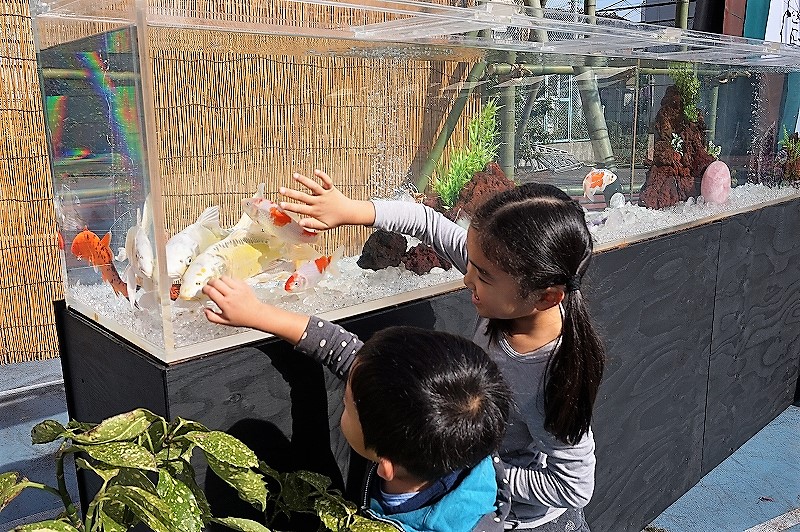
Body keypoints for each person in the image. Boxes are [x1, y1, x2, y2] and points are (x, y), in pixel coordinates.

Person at [272, 170, 606, 531]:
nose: (466, 278)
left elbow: (573, 486)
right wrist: (353, 210)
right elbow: (426, 221)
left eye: (482, 275)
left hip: (518, 521)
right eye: (471, 264)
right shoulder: (507, 280)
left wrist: (470, 466)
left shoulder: (551, 378)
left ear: (547, 296)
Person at [202, 280, 513, 532]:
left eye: (348, 405)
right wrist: (257, 313)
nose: (343, 398)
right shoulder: (452, 437)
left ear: (385, 466)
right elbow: (344, 352)